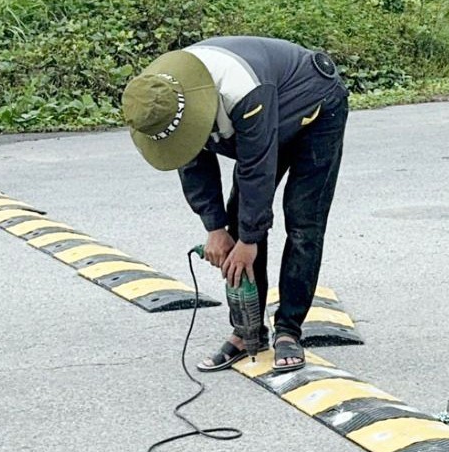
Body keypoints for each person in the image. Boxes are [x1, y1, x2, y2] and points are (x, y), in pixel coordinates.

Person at [121, 36, 349, 372]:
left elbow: (256, 167)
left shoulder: (239, 88)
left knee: (303, 221)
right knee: (239, 221)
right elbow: (189, 159)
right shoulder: (158, 97)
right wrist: (215, 227)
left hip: (314, 105)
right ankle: (247, 333)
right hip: (266, 117)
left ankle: (289, 330)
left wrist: (248, 239)